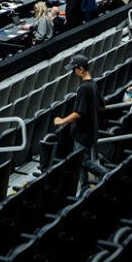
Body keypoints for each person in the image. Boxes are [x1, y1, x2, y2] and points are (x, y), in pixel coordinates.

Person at [52, 55, 109, 193]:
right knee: (80, 161)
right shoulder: (93, 84)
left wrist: (61, 121)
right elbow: (102, 104)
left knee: (83, 161)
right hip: (90, 129)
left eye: (74, 69)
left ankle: (108, 175)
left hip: (83, 132)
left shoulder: (84, 88)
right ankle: (83, 188)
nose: (73, 73)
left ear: (81, 69)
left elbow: (78, 113)